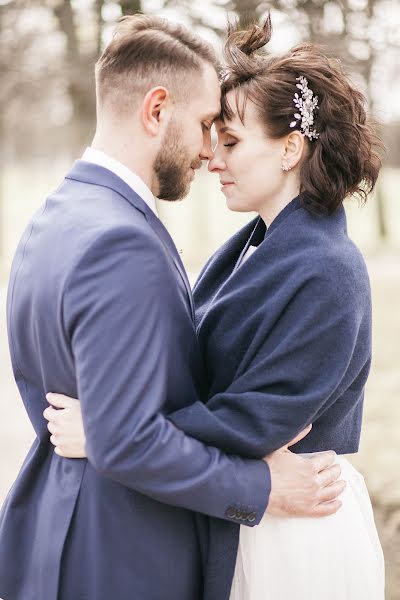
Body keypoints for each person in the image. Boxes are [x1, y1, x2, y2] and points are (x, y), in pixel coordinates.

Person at [0, 14, 343, 600]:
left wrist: (108, 429)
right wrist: (262, 486)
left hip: (59, 529)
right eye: (208, 124)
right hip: (120, 555)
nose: (210, 151)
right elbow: (129, 439)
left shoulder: (60, 213)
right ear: (157, 110)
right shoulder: (122, 241)